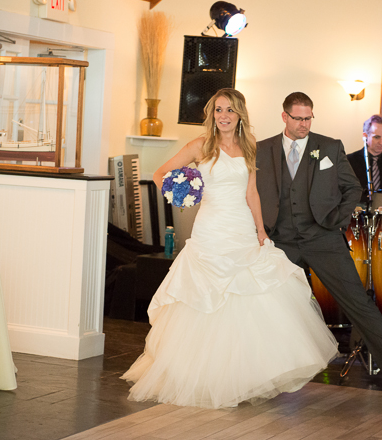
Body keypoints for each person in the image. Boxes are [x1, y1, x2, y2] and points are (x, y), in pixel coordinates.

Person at [121, 89, 338, 409]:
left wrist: (261, 230)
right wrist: (179, 194)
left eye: (230, 110)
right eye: (219, 110)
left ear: (240, 115)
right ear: (212, 113)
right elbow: (159, 173)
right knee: (204, 301)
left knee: (248, 298)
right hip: (210, 229)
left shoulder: (250, 145)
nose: (224, 116)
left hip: (241, 230)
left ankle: (244, 377)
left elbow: (252, 191)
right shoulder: (199, 146)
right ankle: (199, 376)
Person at [255, 92, 382, 402]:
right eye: (298, 118)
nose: (304, 124)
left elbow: (353, 188)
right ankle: (261, 375)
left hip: (323, 239)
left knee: (359, 303)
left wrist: (337, 221)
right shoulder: (262, 149)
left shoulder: (329, 146)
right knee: (263, 304)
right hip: (281, 240)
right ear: (284, 116)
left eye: (309, 118)